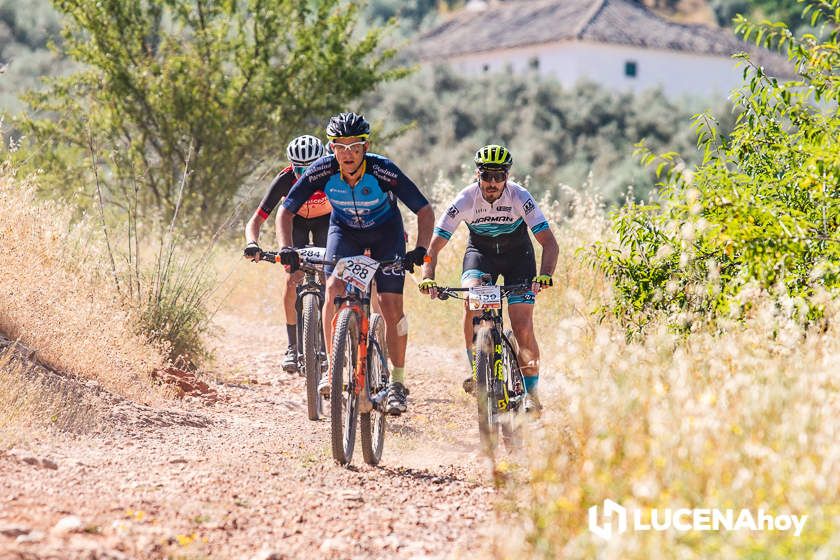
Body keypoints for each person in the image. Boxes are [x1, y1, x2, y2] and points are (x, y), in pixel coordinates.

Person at [277, 112, 434, 416]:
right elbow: (286, 211)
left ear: (366, 146)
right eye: (340, 146)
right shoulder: (322, 170)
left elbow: (424, 210)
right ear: (331, 148)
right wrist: (287, 248)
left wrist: (420, 249)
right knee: (333, 287)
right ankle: (331, 365)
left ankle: (398, 384)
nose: (347, 153)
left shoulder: (383, 170)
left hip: (385, 235)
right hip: (344, 232)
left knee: (391, 305)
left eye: (354, 146)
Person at [418, 144, 559, 416]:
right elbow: (432, 248)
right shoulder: (464, 199)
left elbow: (550, 244)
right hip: (480, 255)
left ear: (507, 176)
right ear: (476, 174)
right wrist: (428, 276)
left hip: (519, 256)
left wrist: (545, 275)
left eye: (499, 176)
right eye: (486, 176)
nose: (492, 182)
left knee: (522, 326)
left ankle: (532, 395)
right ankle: (477, 369)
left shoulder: (520, 196)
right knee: (472, 303)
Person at [243, 134, 329, 373]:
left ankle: (331, 339)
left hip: (327, 223)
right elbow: (255, 221)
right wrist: (252, 243)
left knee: (328, 277)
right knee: (293, 278)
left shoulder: (333, 175)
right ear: (292, 166)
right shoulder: (284, 180)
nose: (305, 176)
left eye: (312, 168)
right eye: (299, 170)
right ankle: (292, 345)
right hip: (295, 225)